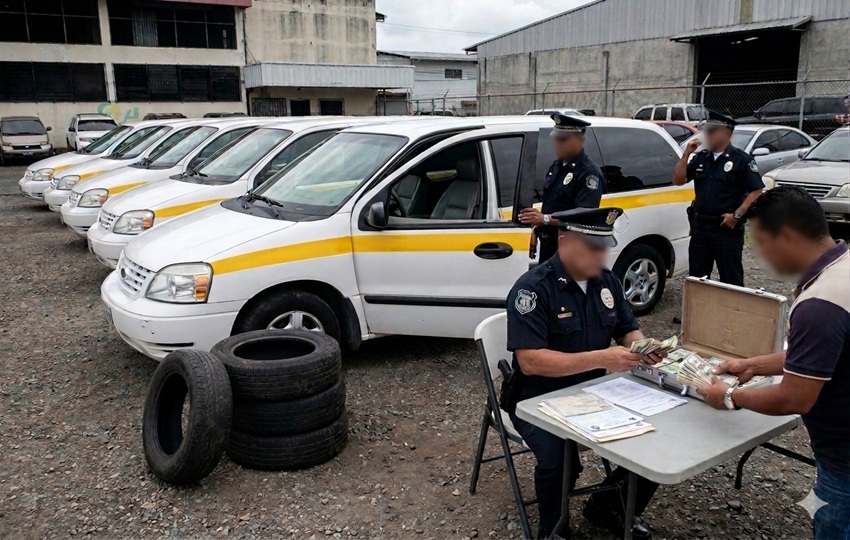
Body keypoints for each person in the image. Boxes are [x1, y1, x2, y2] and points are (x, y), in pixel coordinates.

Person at [698, 187, 849, 540]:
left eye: (762, 243)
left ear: (788, 237)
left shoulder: (821, 304)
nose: (761, 255)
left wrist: (730, 397)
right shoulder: (842, 269)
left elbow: (794, 399)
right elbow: (827, 352)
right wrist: (756, 365)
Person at [506, 207, 661, 539]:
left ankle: (609, 507)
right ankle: (553, 529)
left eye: (603, 246)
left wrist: (644, 346)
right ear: (563, 242)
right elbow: (530, 361)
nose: (600, 254)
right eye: (591, 247)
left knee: (658, 436)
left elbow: (626, 330)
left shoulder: (606, 282)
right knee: (559, 458)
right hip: (537, 398)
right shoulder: (533, 289)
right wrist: (602, 357)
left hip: (594, 393)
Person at [673, 111, 764, 287]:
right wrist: (686, 155)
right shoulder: (701, 158)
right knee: (698, 278)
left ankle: (731, 314)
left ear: (725, 132)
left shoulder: (741, 160)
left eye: (711, 131)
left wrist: (737, 215)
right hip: (700, 227)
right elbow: (678, 180)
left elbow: (756, 191)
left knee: (730, 278)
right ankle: (698, 313)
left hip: (726, 229)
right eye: (706, 131)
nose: (707, 135)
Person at [519, 114, 605, 262]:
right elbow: (552, 205)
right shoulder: (556, 166)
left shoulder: (588, 173)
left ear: (580, 140)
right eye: (556, 139)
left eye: (563, 139)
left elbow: (584, 216)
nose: (558, 144)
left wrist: (545, 219)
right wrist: (537, 229)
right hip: (549, 245)